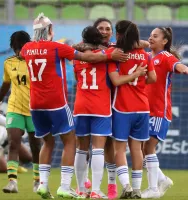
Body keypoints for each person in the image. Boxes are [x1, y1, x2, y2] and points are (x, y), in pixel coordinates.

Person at [20, 13, 124, 199]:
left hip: (41, 104)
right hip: (74, 104)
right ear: (51, 30)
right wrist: (109, 54)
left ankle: (47, 184)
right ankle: (76, 188)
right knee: (77, 144)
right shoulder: (59, 47)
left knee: (54, 144)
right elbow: (91, 58)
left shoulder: (26, 48)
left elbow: (79, 62)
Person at [73, 25, 148, 199]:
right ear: (100, 40)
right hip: (101, 106)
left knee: (81, 149)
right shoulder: (108, 56)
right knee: (98, 149)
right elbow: (115, 77)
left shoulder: (77, 58)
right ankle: (96, 191)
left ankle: (80, 189)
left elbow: (77, 77)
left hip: (81, 105)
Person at [107, 20, 156, 199]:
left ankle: (126, 185)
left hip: (122, 107)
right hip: (142, 107)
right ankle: (136, 190)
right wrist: (139, 82)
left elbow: (117, 81)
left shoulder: (117, 55)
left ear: (119, 34)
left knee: (118, 149)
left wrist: (131, 78)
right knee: (137, 149)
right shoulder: (145, 55)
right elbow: (153, 77)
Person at [141, 27, 188, 199]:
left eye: (155, 36)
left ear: (165, 41)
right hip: (144, 111)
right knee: (141, 148)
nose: (151, 38)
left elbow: (178, 65)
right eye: (150, 35)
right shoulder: (146, 57)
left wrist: (185, 69)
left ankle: (153, 188)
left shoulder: (166, 57)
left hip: (159, 112)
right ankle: (162, 179)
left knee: (148, 147)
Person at [0, 31, 41, 194]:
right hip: (15, 109)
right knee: (14, 143)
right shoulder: (9, 62)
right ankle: (12, 182)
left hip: (34, 110)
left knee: (35, 147)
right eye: (16, 49)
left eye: (21, 48)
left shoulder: (37, 62)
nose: (19, 52)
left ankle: (37, 181)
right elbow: (6, 83)